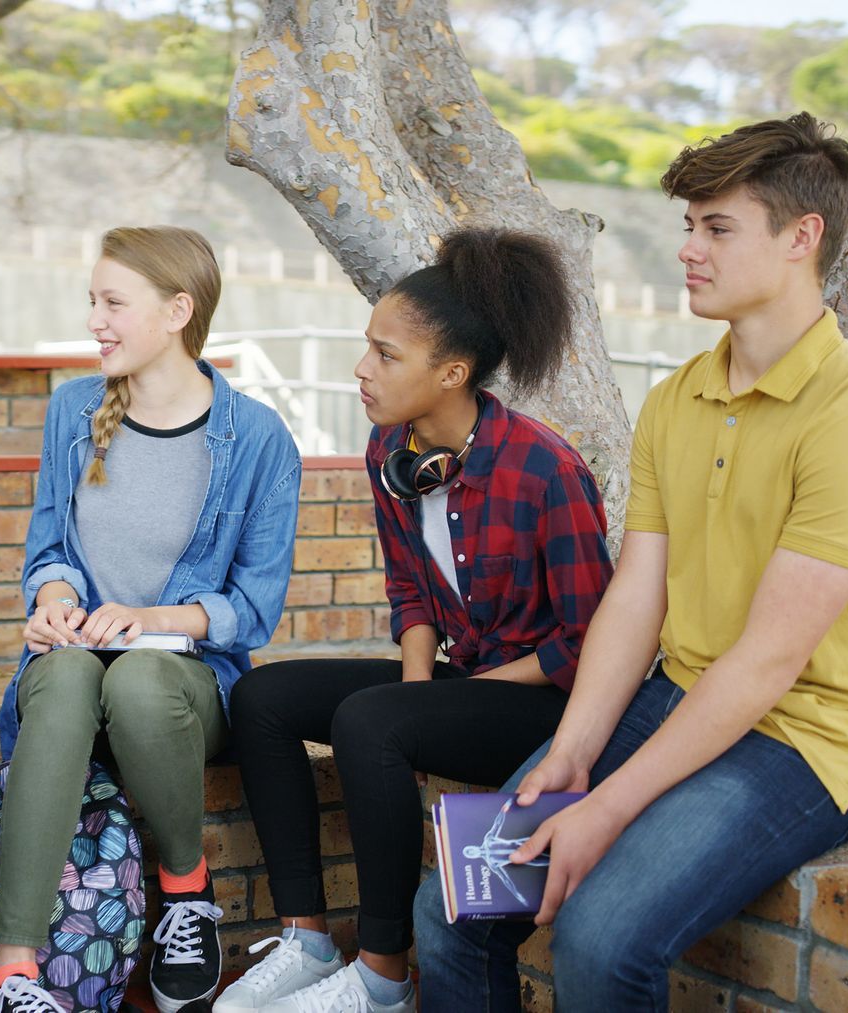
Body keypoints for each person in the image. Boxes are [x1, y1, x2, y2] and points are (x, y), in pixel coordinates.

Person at [413, 112, 848, 1011]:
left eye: (717, 228)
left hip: (808, 740)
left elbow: (768, 661)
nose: (688, 249)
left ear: (802, 237)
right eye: (689, 225)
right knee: (455, 907)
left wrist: (608, 806)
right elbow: (637, 597)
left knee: (601, 937)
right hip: (676, 695)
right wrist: (574, 752)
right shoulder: (677, 399)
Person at [220, 229, 612, 1013]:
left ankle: (382, 976)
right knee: (262, 699)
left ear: (451, 373)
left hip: (548, 701)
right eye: (368, 346)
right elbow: (410, 590)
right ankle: (306, 938)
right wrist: (419, 688)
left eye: (386, 354)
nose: (361, 368)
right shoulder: (390, 452)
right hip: (465, 679)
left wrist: (429, 702)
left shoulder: (545, 470)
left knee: (372, 721)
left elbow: (587, 642)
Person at [0, 225, 302, 1013]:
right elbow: (49, 549)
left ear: (177, 311)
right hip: (74, 670)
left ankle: (186, 891)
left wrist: (149, 617)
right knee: (64, 678)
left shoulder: (257, 438)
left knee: (141, 681)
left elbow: (253, 609)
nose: (95, 320)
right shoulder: (73, 409)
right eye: (92, 301)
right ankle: (12, 969)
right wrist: (54, 602)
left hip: (183, 687)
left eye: (113, 303)